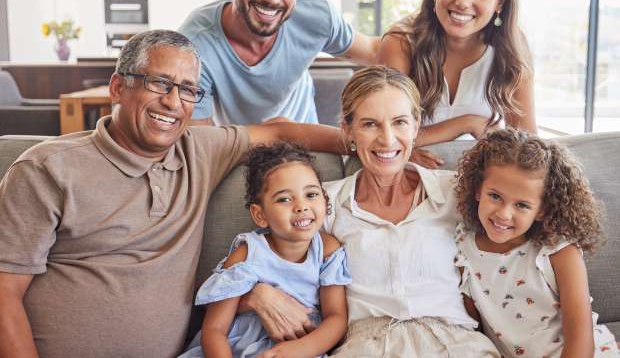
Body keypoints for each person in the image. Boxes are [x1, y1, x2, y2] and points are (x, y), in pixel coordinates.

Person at [0, 30, 348, 358]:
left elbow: (278, 131)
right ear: (118, 87)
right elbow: (4, 293)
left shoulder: (199, 151)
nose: (172, 102)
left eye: (187, 89)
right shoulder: (46, 169)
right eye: (159, 83)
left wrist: (369, 144)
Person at [242, 65, 500, 356]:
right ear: (348, 130)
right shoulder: (323, 204)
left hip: (456, 345)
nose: (387, 139)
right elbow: (258, 261)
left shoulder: (457, 193)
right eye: (370, 124)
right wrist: (255, 294)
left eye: (400, 122)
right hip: (368, 346)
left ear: (416, 126)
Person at [179, 0, 379, 126]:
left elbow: (376, 52)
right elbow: (204, 142)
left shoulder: (317, 15)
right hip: (235, 148)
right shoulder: (193, 46)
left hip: (308, 144)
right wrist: (281, 133)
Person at [454, 128, 619, 357]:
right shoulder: (463, 249)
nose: (503, 214)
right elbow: (474, 333)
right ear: (478, 190)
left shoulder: (559, 253)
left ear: (542, 210)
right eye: (495, 196)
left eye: (521, 205)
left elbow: (581, 339)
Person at [378, 0, 536, 169]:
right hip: (413, 175)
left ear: (500, 0)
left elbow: (527, 145)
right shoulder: (400, 42)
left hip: (482, 182)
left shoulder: (513, 47)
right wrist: (468, 123)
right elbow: (384, 135)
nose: (463, 2)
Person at [180, 142, 351, 358]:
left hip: (301, 348)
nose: (301, 206)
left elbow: (336, 318)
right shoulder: (247, 253)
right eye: (284, 199)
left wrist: (300, 349)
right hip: (236, 349)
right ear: (260, 215)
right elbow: (214, 330)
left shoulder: (327, 250)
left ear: (325, 201)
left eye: (311, 195)